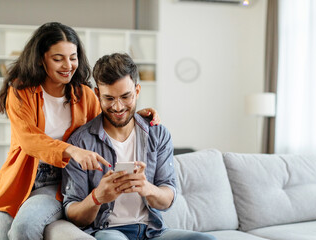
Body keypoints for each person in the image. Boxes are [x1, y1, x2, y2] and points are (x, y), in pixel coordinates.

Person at [0, 22, 160, 240]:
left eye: (73, 57)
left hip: (59, 183)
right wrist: (72, 150)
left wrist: (132, 113)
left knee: (24, 227)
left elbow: (105, 120)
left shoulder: (84, 95)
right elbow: (28, 139)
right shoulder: (21, 91)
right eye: (58, 58)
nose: (68, 65)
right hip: (18, 177)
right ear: (41, 59)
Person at [62, 53, 216, 240]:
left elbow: (168, 197)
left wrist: (146, 188)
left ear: (137, 91)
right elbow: (73, 214)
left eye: (125, 97)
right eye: (109, 98)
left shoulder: (157, 134)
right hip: (109, 232)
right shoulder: (80, 142)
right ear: (97, 95)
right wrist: (97, 197)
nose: (118, 107)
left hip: (153, 232)